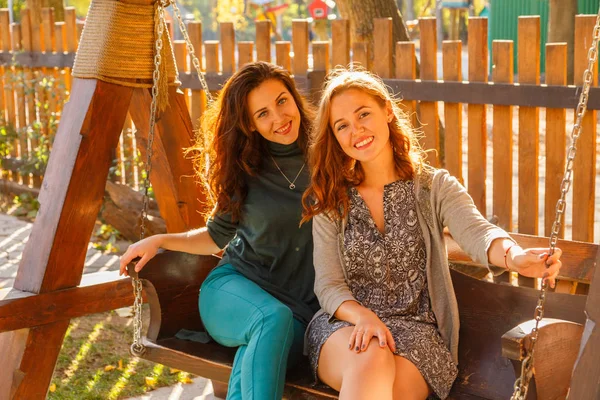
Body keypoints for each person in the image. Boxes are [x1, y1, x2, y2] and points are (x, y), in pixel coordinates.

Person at [301, 69, 562, 400]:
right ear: (336, 137)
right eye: (342, 126)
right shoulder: (332, 201)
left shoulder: (433, 187)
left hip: (418, 336)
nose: (356, 130)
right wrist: (364, 317)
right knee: (371, 355)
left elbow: (477, 231)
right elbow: (329, 285)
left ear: (387, 111)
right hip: (345, 328)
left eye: (363, 114)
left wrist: (515, 257)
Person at [120, 61, 319, 400]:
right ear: (251, 125)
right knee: (271, 319)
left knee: (258, 355)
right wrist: (161, 239)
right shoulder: (245, 168)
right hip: (233, 290)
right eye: (263, 114)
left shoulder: (326, 157)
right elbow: (216, 236)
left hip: (302, 311)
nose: (279, 118)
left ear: (295, 99)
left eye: (282, 101)